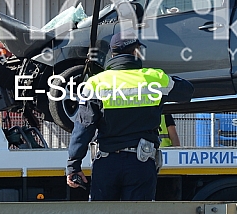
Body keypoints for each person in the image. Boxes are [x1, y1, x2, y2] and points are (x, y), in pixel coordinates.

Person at [66, 36, 193, 200]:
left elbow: (83, 127)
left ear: (112, 55)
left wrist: (73, 165)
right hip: (141, 163)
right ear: (136, 52)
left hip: (106, 162)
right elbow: (187, 91)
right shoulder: (154, 78)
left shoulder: (96, 82)